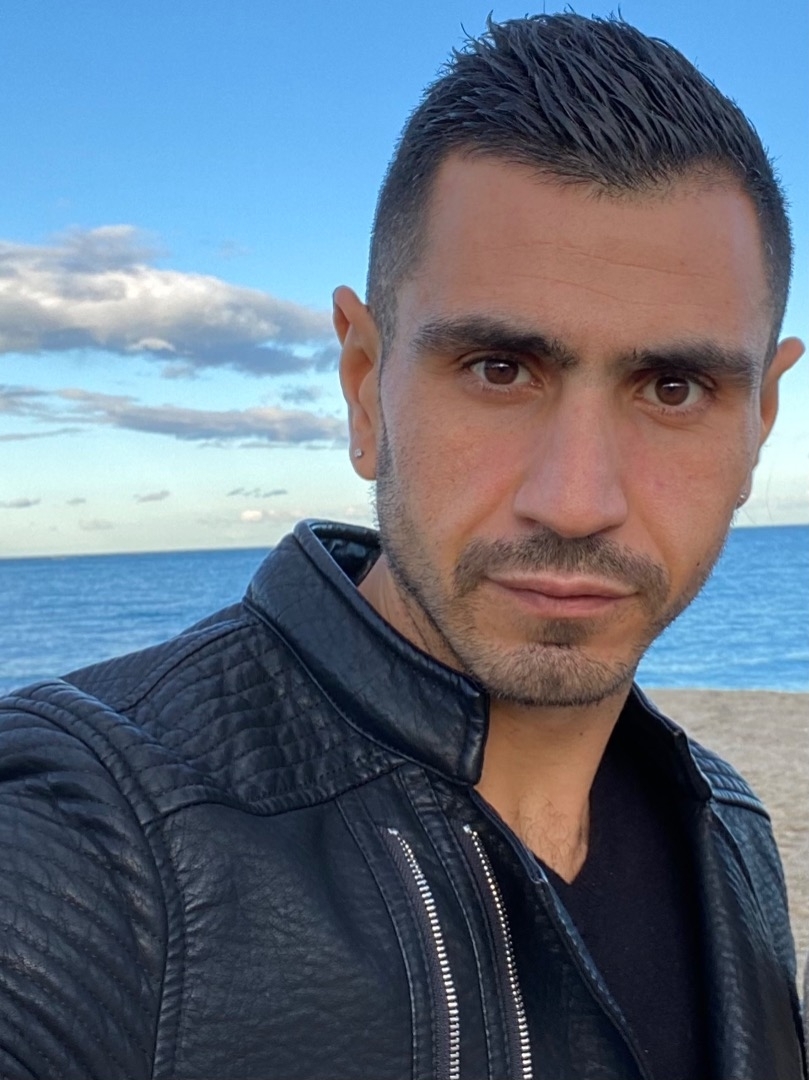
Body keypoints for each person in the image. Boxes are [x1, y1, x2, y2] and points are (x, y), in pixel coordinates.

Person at [0, 13, 805, 1080]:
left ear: (757, 423)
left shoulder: (728, 830)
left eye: (672, 388)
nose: (575, 502)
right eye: (498, 370)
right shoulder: (92, 837)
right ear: (363, 386)